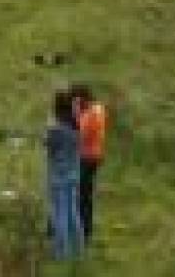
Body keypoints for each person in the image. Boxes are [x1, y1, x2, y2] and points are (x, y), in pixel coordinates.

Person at [44, 87, 84, 260]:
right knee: (73, 212)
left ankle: (61, 254)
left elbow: (49, 147)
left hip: (58, 177)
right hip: (74, 174)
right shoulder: (76, 125)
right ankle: (78, 250)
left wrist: (48, 128)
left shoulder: (56, 129)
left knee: (59, 215)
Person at [72, 83, 107, 242]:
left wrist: (77, 115)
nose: (75, 103)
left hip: (86, 157)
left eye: (76, 100)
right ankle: (84, 230)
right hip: (94, 155)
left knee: (82, 196)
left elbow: (80, 135)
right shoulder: (99, 109)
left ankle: (84, 232)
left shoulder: (90, 113)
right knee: (85, 194)